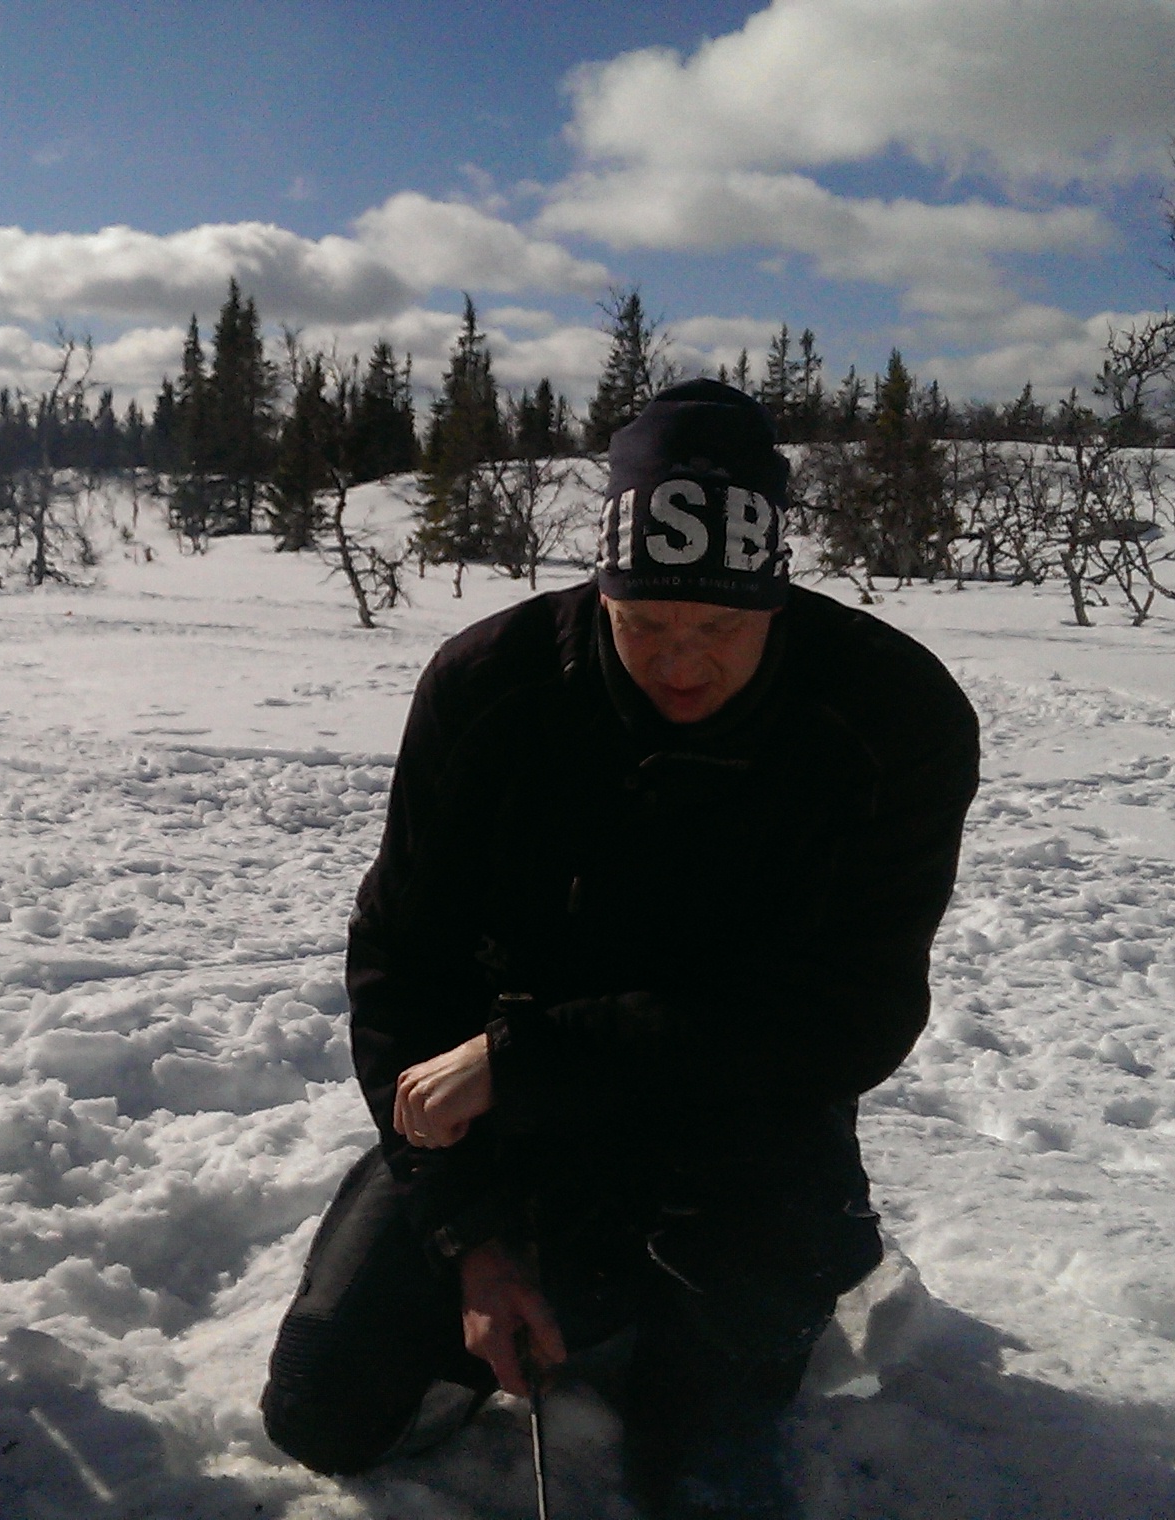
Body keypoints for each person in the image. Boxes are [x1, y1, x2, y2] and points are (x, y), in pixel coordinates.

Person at [259, 379, 979, 1516]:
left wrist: (531, 1054)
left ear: (777, 596)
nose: (680, 664)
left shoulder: (892, 714)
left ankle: (736, 1296)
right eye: (643, 625)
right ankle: (550, 1273)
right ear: (600, 588)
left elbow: (854, 1014)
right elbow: (401, 962)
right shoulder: (490, 687)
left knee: (696, 1465)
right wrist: (468, 1233)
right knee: (323, 1409)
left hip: (743, 1117)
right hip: (505, 1122)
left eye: (719, 630)